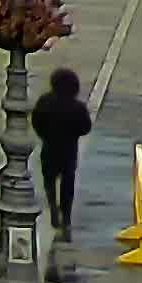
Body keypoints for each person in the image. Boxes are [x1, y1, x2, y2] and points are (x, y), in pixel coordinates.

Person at [32, 69, 95, 240]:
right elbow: (85, 127)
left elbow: (36, 121)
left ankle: (52, 206)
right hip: (68, 151)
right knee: (67, 184)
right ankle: (65, 216)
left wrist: (44, 134)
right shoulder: (77, 107)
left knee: (49, 180)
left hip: (49, 147)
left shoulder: (45, 102)